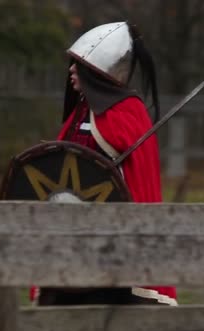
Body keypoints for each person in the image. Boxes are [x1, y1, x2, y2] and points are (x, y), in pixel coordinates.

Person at [31, 21, 177, 306]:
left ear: (94, 72)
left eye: (78, 65)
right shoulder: (82, 111)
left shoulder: (126, 112)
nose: (71, 71)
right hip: (68, 236)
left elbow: (131, 184)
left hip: (113, 242)